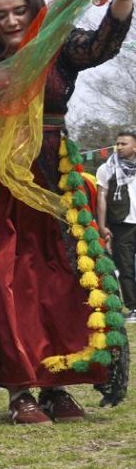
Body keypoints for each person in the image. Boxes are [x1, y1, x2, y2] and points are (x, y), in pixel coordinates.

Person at [0, 0, 135, 423]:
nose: (11, 21)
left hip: (53, 182)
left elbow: (103, 45)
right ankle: (20, 391)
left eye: (19, 11)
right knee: (5, 281)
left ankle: (56, 385)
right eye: (0, 15)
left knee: (59, 282)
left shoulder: (58, 44)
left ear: (34, 9)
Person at [98, 132, 136, 326]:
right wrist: (102, 225)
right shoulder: (107, 168)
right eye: (117, 143)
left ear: (134, 147)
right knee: (125, 267)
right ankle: (133, 307)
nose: (119, 147)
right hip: (122, 225)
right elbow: (102, 197)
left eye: (124, 144)